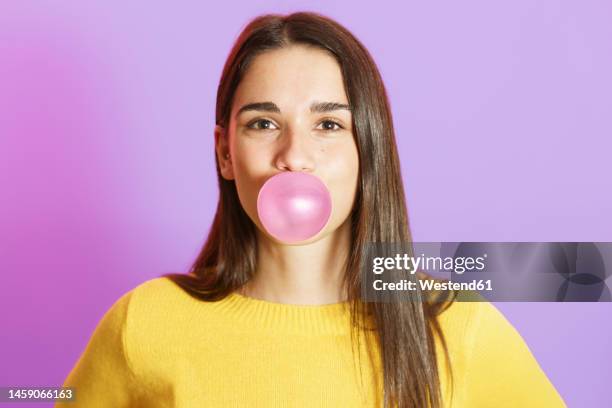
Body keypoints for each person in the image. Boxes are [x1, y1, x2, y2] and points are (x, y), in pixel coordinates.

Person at [57, 11, 566, 408]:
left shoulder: (456, 328)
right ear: (224, 153)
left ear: (369, 149)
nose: (295, 156)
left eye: (328, 125)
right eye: (263, 123)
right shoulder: (146, 324)